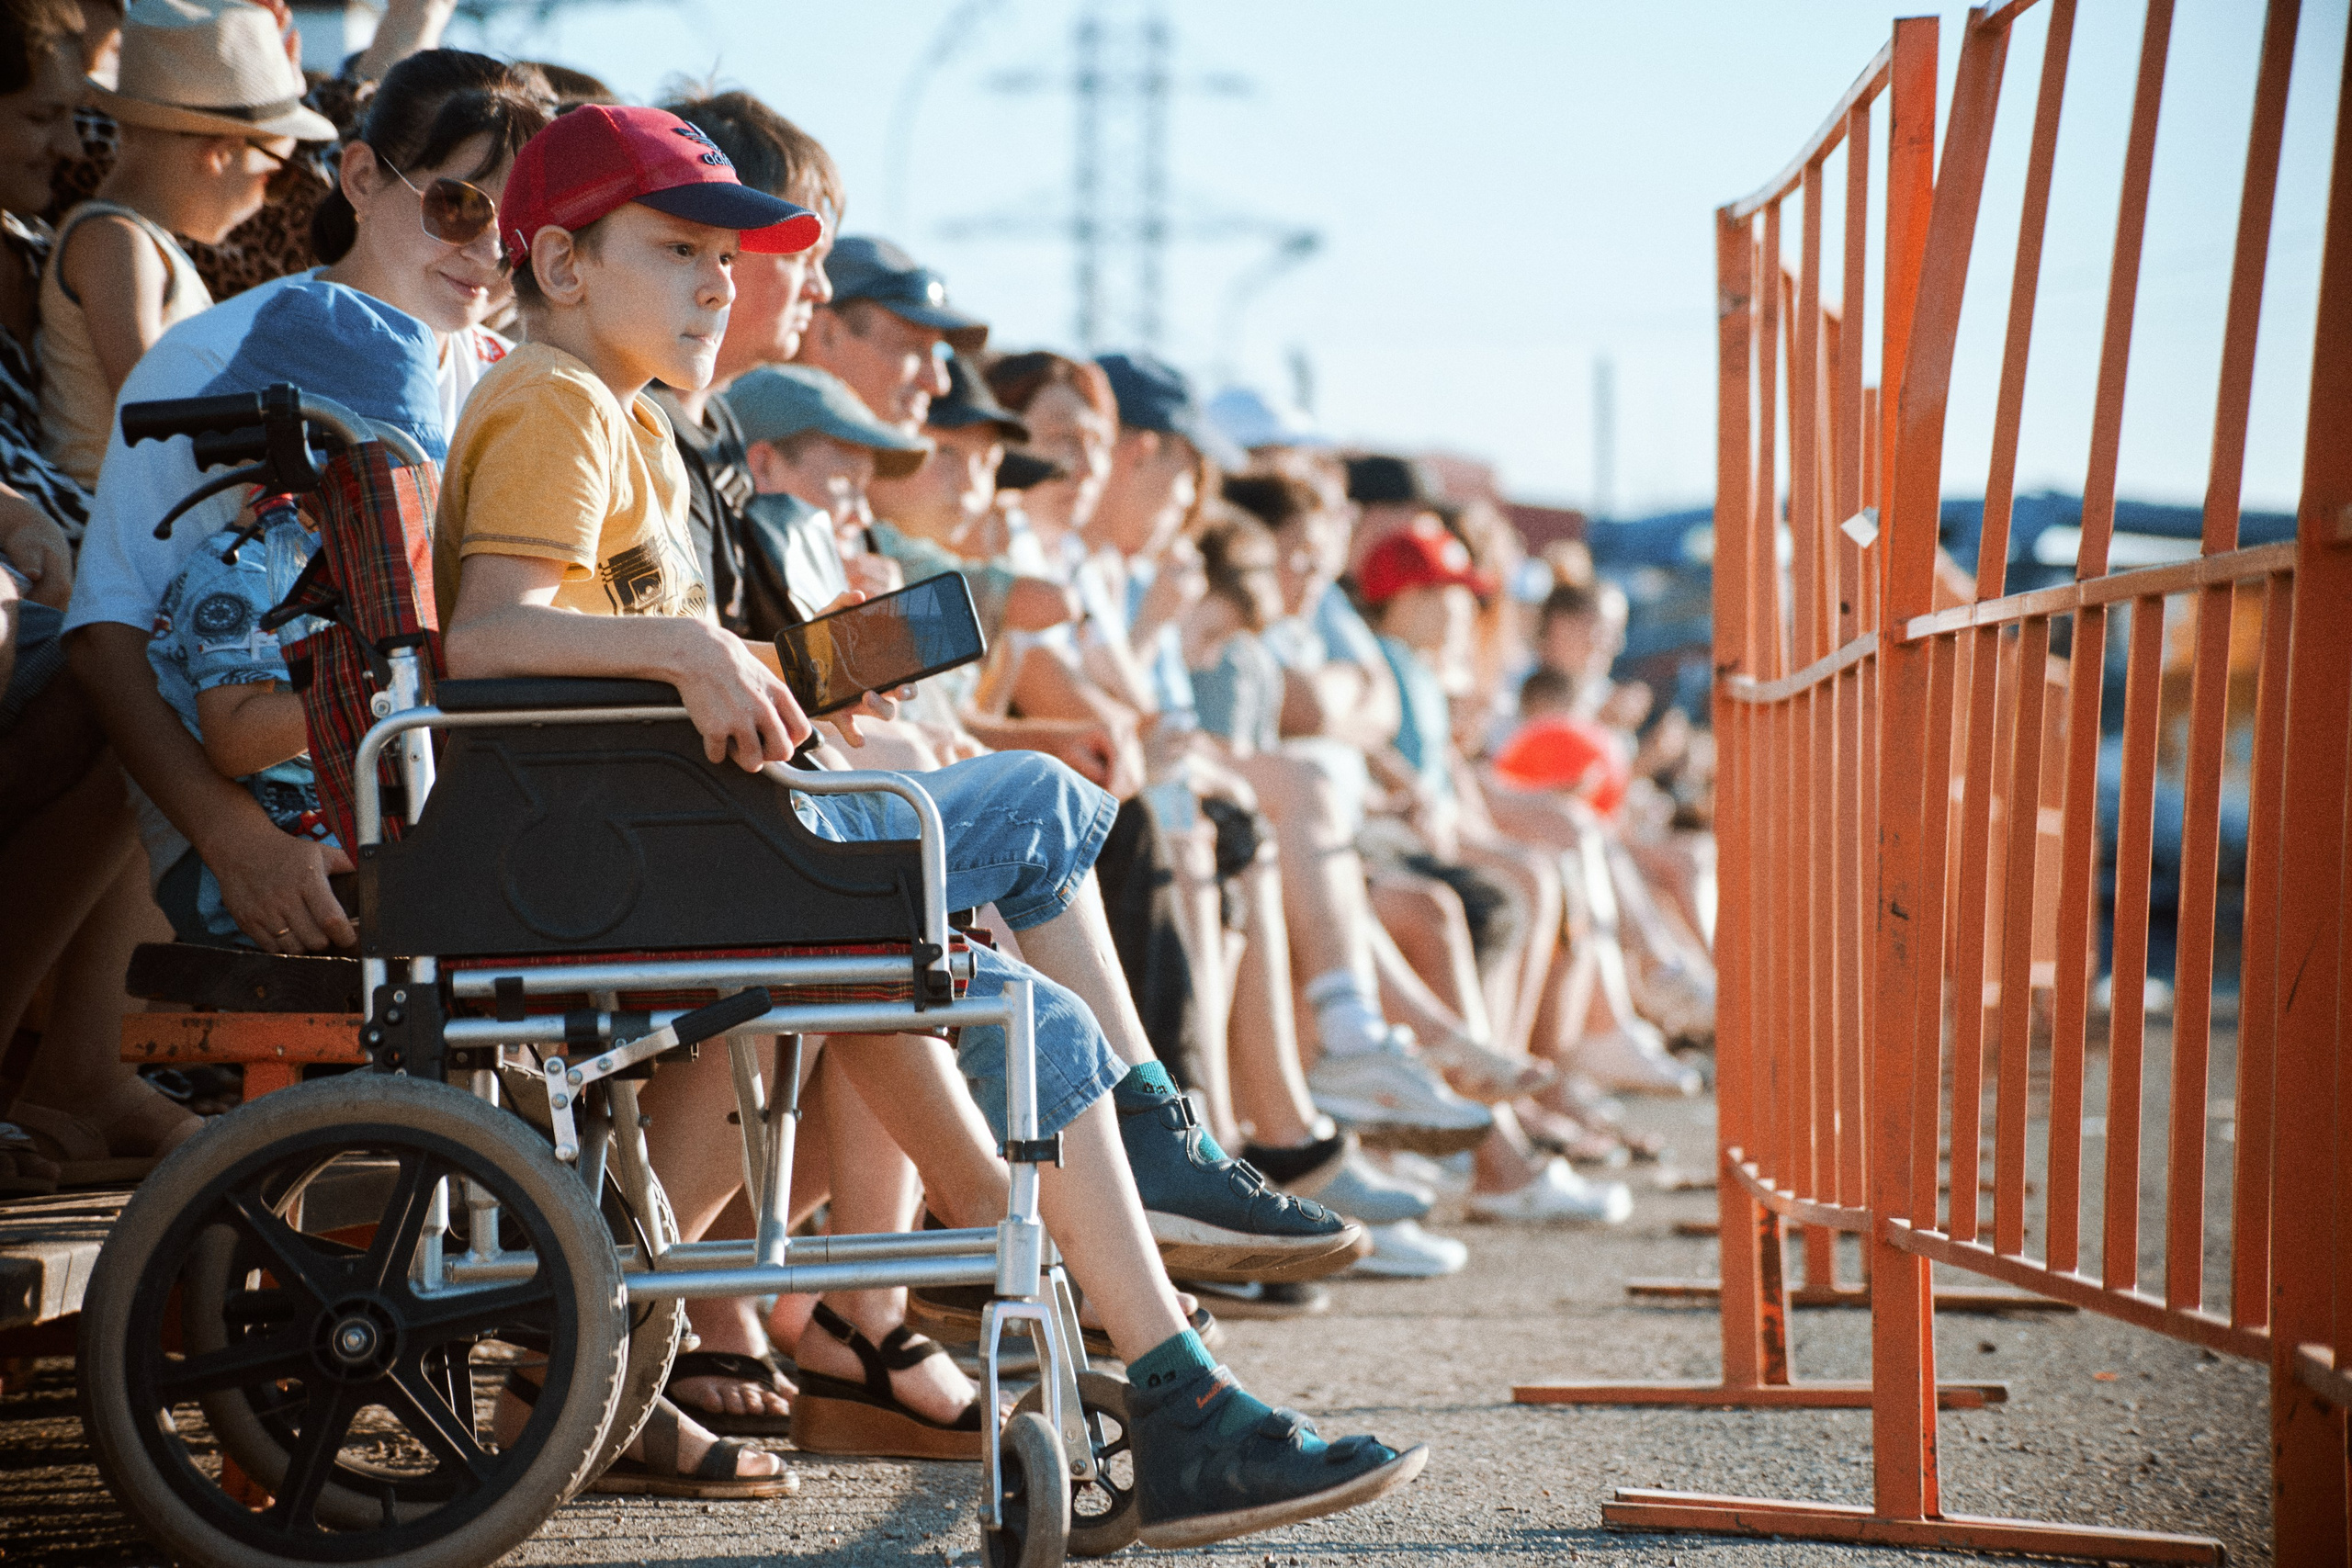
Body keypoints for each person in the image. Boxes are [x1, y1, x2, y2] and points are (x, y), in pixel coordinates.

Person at [435, 105, 1417, 1536]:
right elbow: (492, 633)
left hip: (670, 833)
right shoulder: (555, 401)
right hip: (620, 853)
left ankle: (1175, 1349)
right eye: (680, 250)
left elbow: (603, 637)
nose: (718, 280)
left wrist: (762, 673)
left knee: (1035, 975)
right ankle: (1164, 1246)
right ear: (566, 263)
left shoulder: (632, 417)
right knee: (1033, 806)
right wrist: (698, 654)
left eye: (731, 256)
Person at [62, 50, 549, 958]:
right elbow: (104, 637)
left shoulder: (508, 386)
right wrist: (230, 836)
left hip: (450, 814)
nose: (488, 254)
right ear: (362, 177)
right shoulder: (210, 363)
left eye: (520, 228)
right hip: (277, 823)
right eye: (461, 204)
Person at [38, 0, 334, 487]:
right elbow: (158, 412)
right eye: (272, 179)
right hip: (103, 530)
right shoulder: (115, 241)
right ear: (219, 154)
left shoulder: (138, 241)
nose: (266, 204)